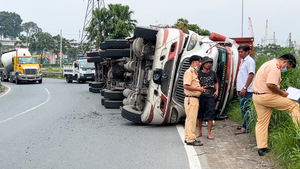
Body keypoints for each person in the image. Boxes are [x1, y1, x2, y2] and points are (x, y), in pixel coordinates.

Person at [252, 53, 300, 156]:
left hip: (257, 96)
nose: (287, 69)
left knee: (261, 121)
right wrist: (282, 93)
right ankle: (298, 131)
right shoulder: (275, 67)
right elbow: (270, 85)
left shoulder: (268, 64)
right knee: (294, 106)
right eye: (288, 67)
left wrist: (279, 91)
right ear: (285, 62)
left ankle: (262, 148)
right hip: (267, 97)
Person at [183, 55, 205, 146]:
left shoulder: (194, 72)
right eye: (199, 62)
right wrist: (199, 89)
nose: (200, 64)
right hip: (191, 98)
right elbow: (186, 85)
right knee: (191, 119)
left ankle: (188, 137)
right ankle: (191, 139)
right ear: (193, 62)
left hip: (192, 98)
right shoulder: (190, 72)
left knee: (189, 119)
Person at [196, 56, 218, 140]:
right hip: (201, 96)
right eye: (207, 63)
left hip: (210, 96)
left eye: (210, 63)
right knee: (199, 115)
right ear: (203, 64)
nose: (208, 64)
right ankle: (199, 132)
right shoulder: (198, 73)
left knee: (210, 115)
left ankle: (209, 133)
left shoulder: (212, 73)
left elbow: (216, 82)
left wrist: (217, 91)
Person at [235, 45, 256, 135]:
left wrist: (244, 88)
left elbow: (251, 75)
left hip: (247, 90)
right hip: (242, 89)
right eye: (239, 52)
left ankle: (245, 127)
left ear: (248, 52)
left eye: (241, 52)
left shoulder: (250, 61)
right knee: (243, 108)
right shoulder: (243, 61)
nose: (240, 54)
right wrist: (239, 88)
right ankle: (244, 125)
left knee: (246, 108)